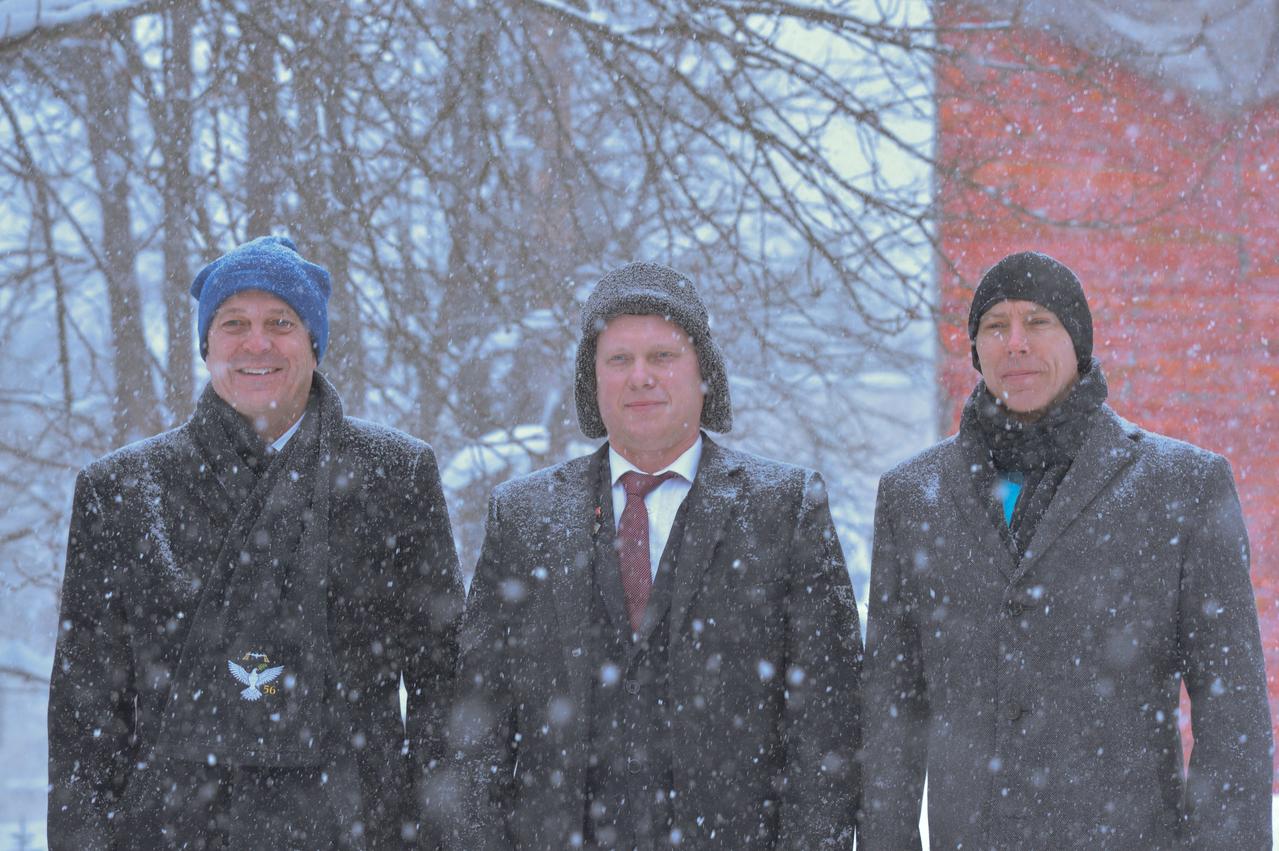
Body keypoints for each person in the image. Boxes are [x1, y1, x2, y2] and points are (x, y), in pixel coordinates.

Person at [48, 236, 465, 850]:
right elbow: (86, 714)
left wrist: (444, 833)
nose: (257, 343)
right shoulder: (123, 491)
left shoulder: (394, 476)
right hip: (174, 829)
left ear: (314, 343)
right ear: (206, 344)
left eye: (281, 323)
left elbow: (444, 685)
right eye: (233, 323)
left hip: (357, 826)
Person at [859, 251, 1273, 849]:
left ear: (1078, 341)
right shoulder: (912, 496)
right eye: (995, 326)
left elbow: (1231, 712)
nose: (1016, 343)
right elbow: (891, 713)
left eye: (1039, 322)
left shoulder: (1182, 486)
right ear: (976, 350)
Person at [444, 261, 862, 849]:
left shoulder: (785, 510)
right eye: (619, 360)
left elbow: (828, 727)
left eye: (662, 357)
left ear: (704, 374)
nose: (640, 377)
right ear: (592, 380)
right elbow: (477, 733)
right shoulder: (523, 517)